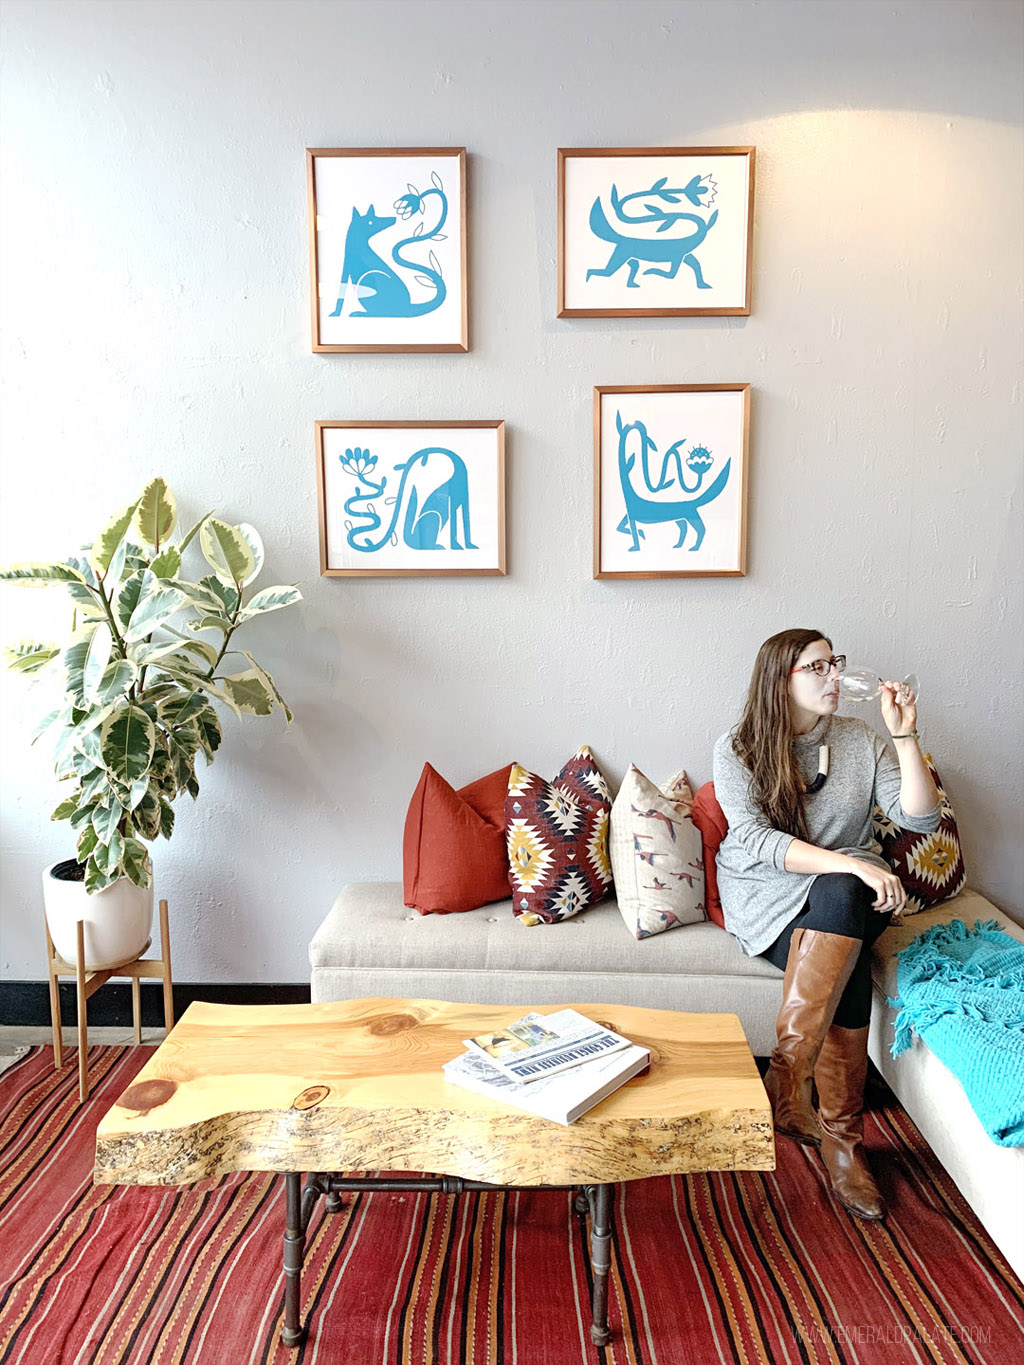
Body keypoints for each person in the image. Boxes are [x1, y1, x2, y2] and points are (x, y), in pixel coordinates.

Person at [712, 628, 941, 1220]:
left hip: (845, 899)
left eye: (835, 664)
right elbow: (758, 841)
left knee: (844, 901)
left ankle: (789, 1085)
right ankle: (843, 1141)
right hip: (768, 895)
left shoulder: (861, 740)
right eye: (817, 668)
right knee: (850, 919)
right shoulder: (737, 748)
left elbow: (920, 814)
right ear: (779, 680)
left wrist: (905, 735)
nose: (834, 677)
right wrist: (853, 867)